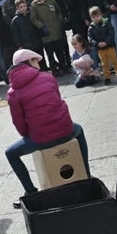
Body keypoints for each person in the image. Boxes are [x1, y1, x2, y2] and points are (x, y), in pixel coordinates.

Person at [5, 49, 90, 208]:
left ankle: (31, 192)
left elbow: (19, 123)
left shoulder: (12, 92)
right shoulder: (48, 77)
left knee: (10, 153)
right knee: (79, 131)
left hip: (40, 139)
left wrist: (31, 135)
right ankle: (87, 175)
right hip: (66, 130)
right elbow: (57, 102)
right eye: (36, 61)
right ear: (30, 62)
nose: (38, 64)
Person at [30, 0, 70, 76]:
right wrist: (41, 26)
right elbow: (33, 18)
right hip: (46, 33)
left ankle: (64, 67)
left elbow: (58, 11)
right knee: (50, 53)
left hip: (56, 30)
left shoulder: (50, 1)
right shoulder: (34, 5)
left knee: (60, 51)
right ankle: (54, 70)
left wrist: (59, 20)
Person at [88, 6, 117, 84]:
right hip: (100, 48)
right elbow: (90, 38)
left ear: (101, 15)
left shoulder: (107, 23)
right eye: (94, 17)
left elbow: (111, 33)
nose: (96, 18)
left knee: (114, 61)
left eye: (98, 16)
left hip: (109, 46)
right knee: (104, 64)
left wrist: (106, 42)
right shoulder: (91, 28)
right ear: (91, 18)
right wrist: (97, 44)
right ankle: (107, 77)